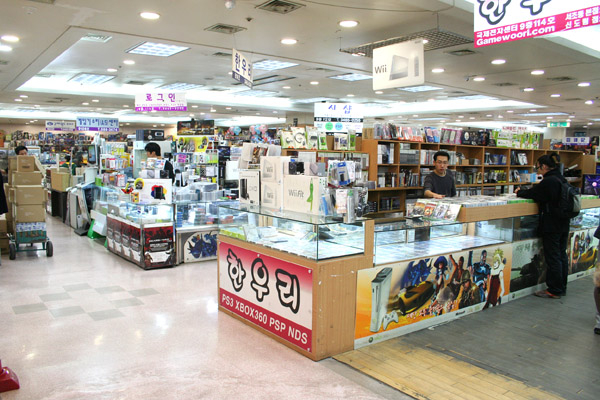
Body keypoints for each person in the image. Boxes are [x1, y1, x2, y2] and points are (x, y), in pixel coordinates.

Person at [515, 153, 570, 299]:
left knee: (553, 256)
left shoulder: (549, 181)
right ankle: (562, 286)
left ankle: (554, 289)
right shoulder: (561, 178)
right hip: (563, 223)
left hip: (552, 224)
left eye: (538, 167)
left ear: (544, 166)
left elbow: (534, 193)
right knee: (561, 254)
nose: (537, 170)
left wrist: (520, 192)